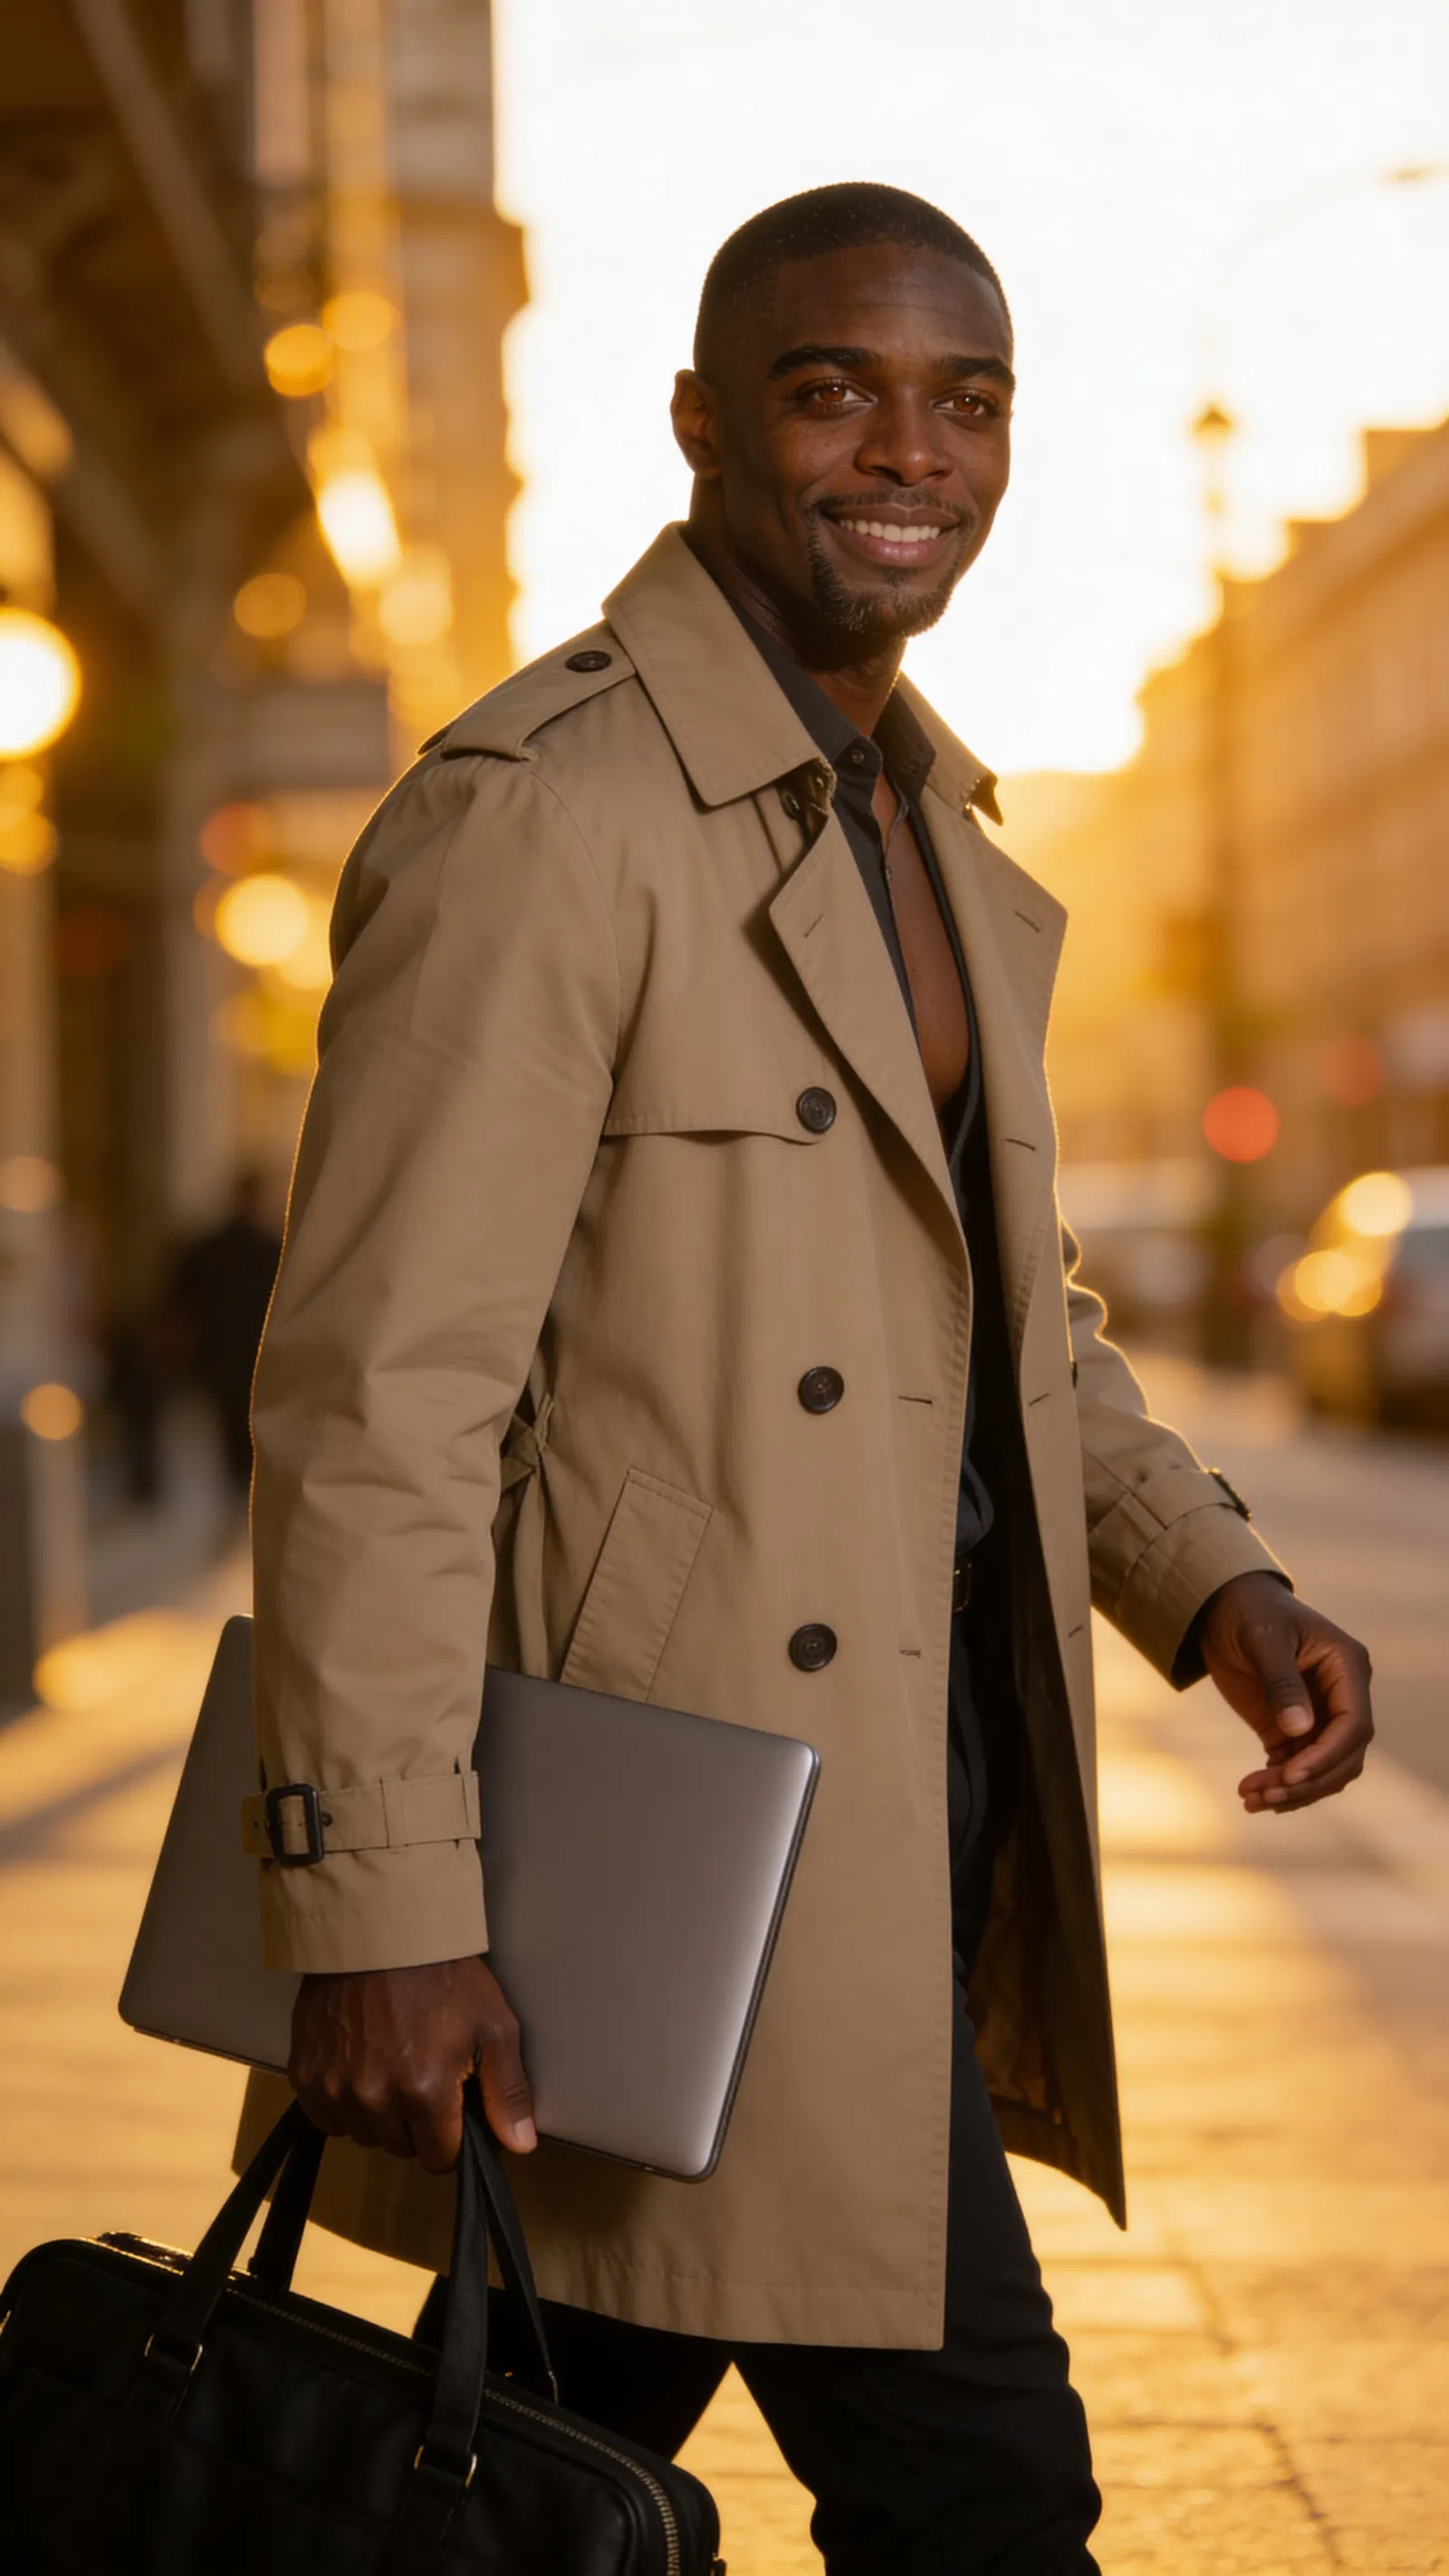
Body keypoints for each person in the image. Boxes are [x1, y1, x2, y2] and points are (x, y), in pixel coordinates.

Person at [241, 186, 1375, 2573]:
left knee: (523, 2482)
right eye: (832, 385)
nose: (913, 451)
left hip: (886, 1827)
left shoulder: (941, 837)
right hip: (641, 1871)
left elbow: (1003, 1323)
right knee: (983, 2499)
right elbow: (378, 1400)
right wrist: (375, 1904)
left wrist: (1214, 1585)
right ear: (699, 424)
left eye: (966, 399)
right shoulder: (541, 814)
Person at [168, 1170, 281, 1501]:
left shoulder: (205, 1249)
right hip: (256, 1357)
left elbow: (179, 1309)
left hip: (217, 1359)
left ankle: (239, 1494)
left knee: (230, 1432)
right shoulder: (272, 1249)